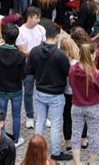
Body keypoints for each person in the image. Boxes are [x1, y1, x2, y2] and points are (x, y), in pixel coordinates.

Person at [25, 23, 72, 161]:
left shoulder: (34, 51)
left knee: (40, 121)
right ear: (57, 37)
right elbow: (68, 73)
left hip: (40, 91)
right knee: (56, 124)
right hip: (56, 93)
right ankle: (55, 152)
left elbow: (28, 70)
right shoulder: (60, 55)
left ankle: (36, 149)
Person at [0, 24, 26, 147]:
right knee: (16, 115)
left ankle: (2, 139)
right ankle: (15, 140)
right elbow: (23, 75)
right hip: (16, 90)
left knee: (1, 115)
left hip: (2, 89)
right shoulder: (20, 55)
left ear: (4, 36)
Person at [69, 43, 99, 164]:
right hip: (93, 107)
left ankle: (77, 162)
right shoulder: (95, 73)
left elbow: (71, 84)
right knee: (93, 135)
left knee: (76, 134)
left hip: (76, 106)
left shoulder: (72, 69)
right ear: (93, 55)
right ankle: (92, 162)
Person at [16, 7, 46, 128]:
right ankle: (30, 116)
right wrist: (37, 51)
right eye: (36, 18)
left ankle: (43, 116)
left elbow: (44, 45)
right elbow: (23, 51)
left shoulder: (41, 29)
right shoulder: (20, 31)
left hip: (41, 65)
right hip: (27, 66)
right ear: (29, 18)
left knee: (43, 91)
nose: (38, 20)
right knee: (28, 92)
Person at [59, 36, 87, 151]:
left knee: (67, 118)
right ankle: (83, 140)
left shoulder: (61, 61)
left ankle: (68, 143)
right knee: (82, 117)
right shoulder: (79, 62)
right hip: (78, 94)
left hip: (66, 93)